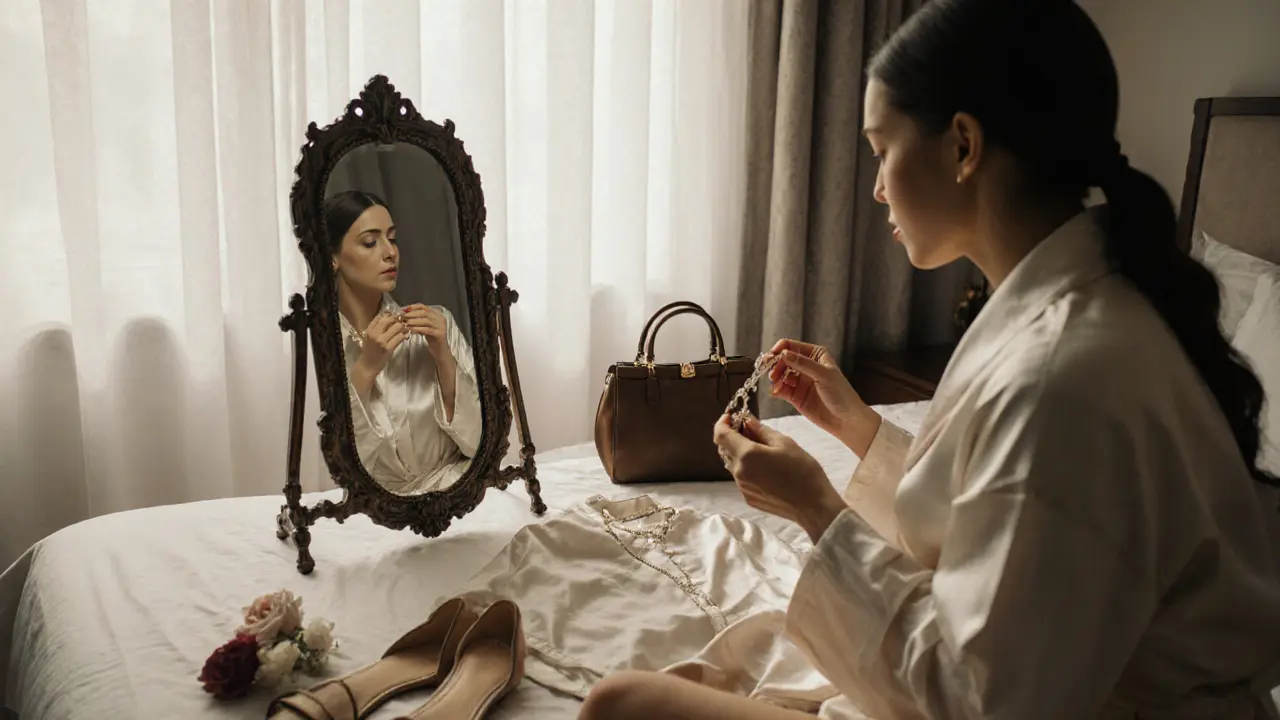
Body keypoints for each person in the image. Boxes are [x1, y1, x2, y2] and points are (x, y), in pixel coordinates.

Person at [578, 0, 1280, 718]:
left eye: (882, 150)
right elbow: (992, 519)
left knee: (621, 705)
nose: (877, 185)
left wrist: (817, 508)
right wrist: (857, 428)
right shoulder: (1084, 312)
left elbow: (981, 698)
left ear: (962, 146)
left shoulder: (1065, 378)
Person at [325, 190, 483, 495]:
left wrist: (444, 360)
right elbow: (326, 472)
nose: (390, 253)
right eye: (370, 242)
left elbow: (480, 442)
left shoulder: (437, 324)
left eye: (392, 239)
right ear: (332, 258)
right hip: (371, 515)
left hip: (459, 495)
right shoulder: (319, 349)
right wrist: (366, 368)